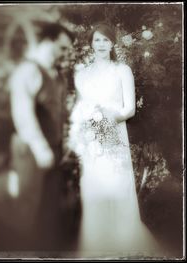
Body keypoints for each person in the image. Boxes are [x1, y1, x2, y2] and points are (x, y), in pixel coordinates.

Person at [68, 23, 161, 258]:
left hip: (114, 137)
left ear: (113, 43)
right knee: (94, 186)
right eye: (97, 40)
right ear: (91, 43)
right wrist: (85, 125)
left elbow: (129, 109)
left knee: (117, 185)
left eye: (105, 40)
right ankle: (95, 242)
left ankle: (123, 240)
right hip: (91, 140)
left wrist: (108, 119)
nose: (101, 44)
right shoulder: (82, 74)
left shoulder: (122, 70)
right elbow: (79, 108)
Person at [8, 21, 75, 250]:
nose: (66, 54)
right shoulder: (28, 70)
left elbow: (59, 114)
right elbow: (23, 114)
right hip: (31, 151)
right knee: (28, 214)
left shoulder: (56, 73)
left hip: (53, 150)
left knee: (48, 212)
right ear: (48, 42)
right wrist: (41, 149)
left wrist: (62, 145)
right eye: (63, 48)